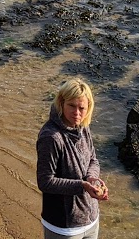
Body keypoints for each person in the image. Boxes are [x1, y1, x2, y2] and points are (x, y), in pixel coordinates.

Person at [36, 76, 108, 238]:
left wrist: (92, 179)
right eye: (71, 106)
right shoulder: (51, 137)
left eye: (81, 108)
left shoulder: (83, 126)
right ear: (61, 103)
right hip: (63, 226)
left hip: (90, 219)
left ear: (88, 107)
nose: (76, 113)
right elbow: (45, 181)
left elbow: (93, 160)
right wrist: (82, 186)